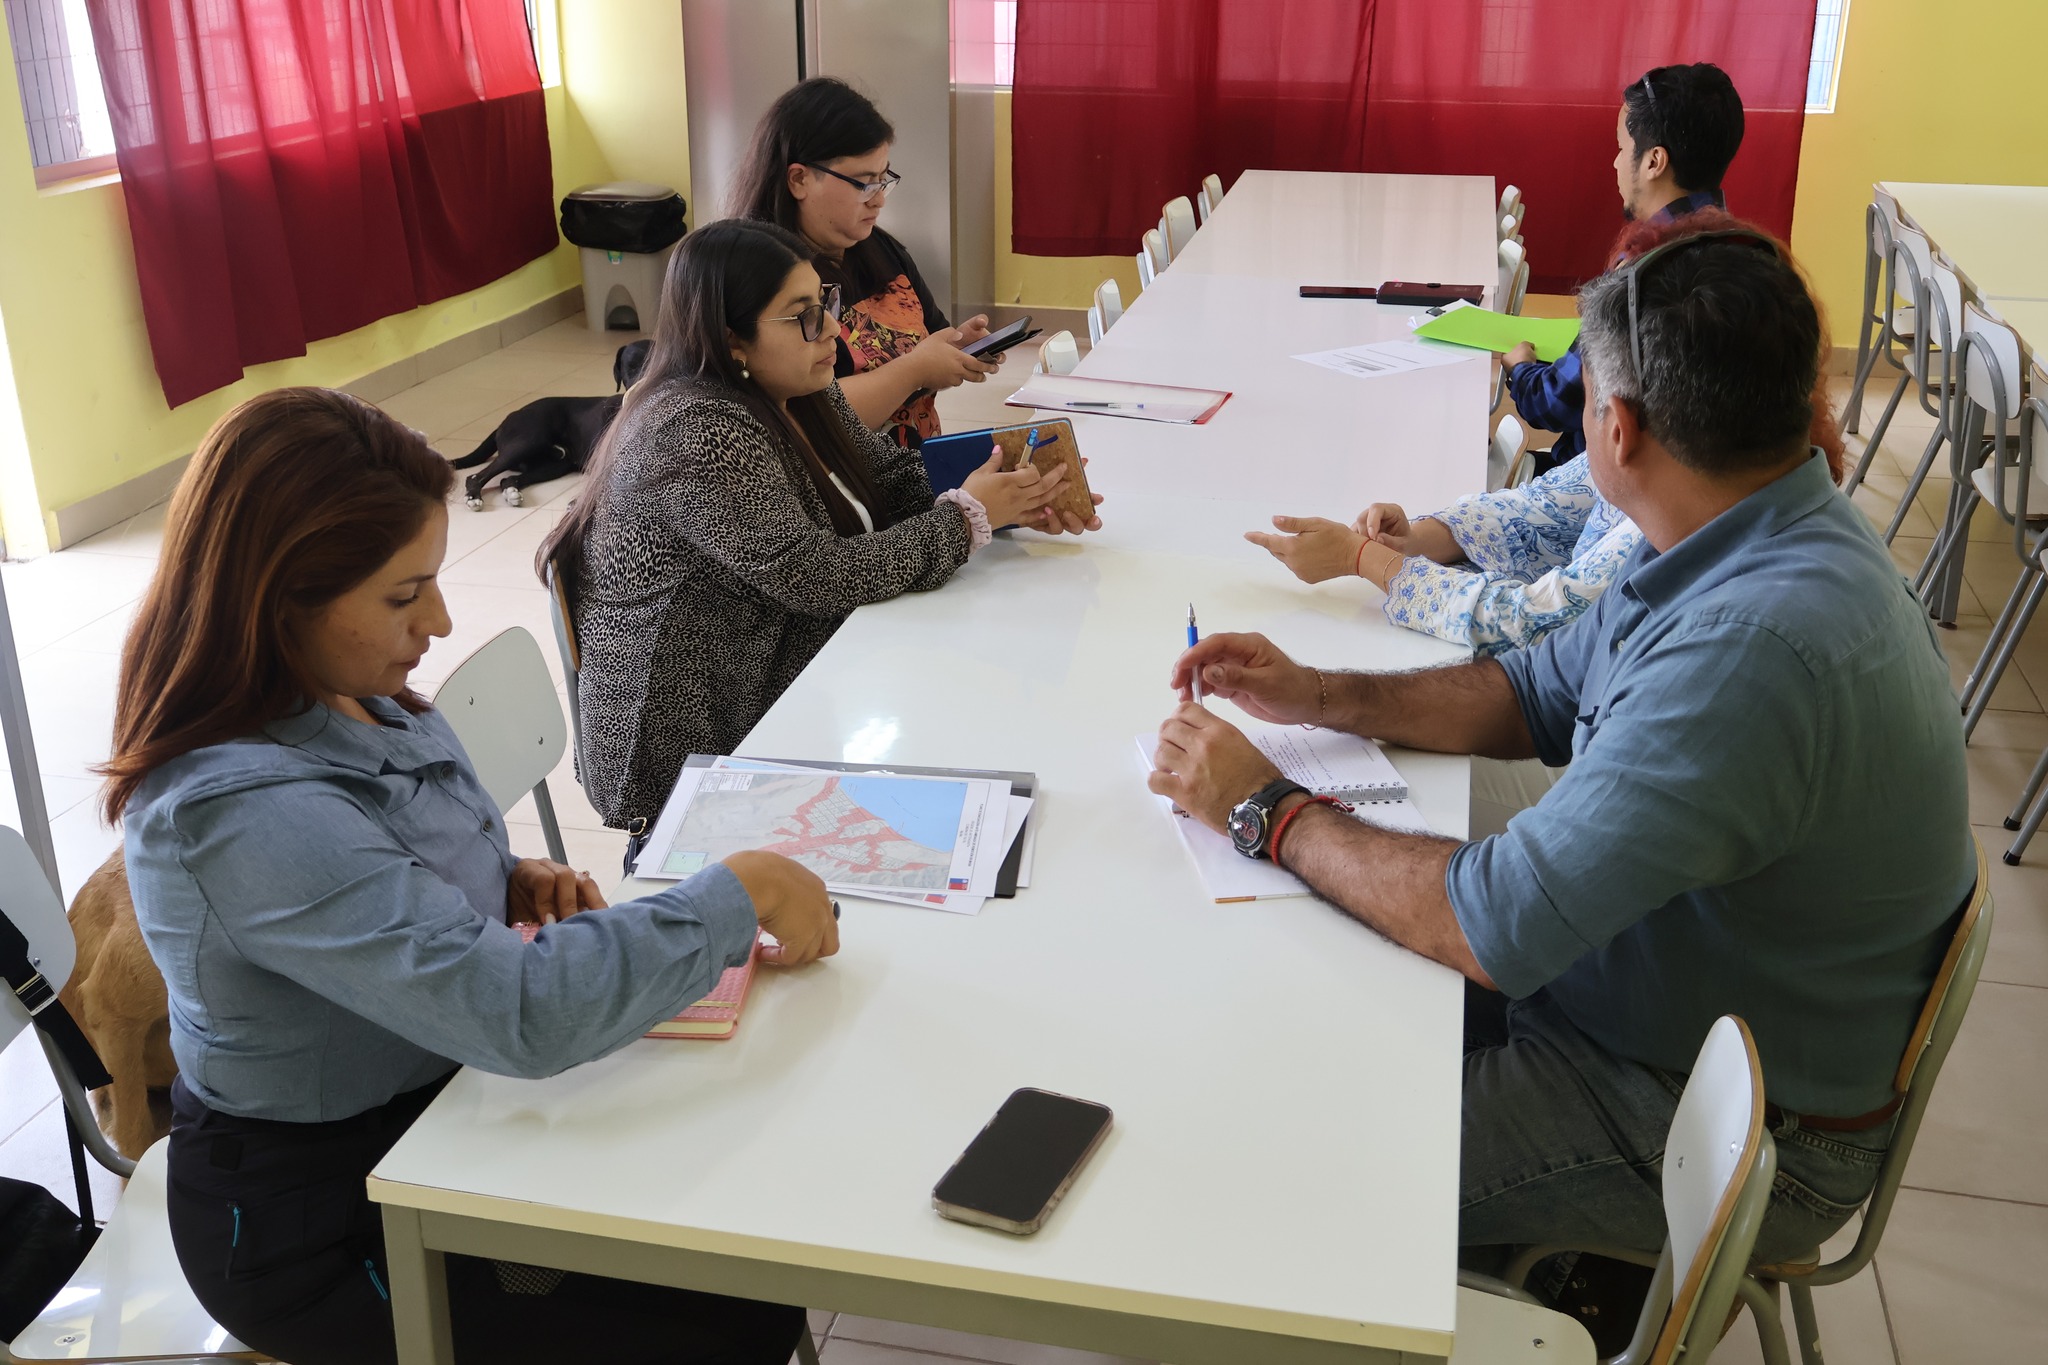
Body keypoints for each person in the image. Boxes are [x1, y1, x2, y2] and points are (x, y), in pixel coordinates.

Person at [1148, 232, 1974, 1268]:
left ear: (1614, 429)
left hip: (1718, 1116)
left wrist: (1262, 807)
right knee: (1295, 1005)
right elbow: (1529, 690)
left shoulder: (1749, 652)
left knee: (1300, 1171)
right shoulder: (1733, 530)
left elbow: (1491, 923)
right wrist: (1320, 693)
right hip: (1662, 1004)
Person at [101, 388, 842, 1365]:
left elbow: (389, 874)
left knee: (744, 1274)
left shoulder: (359, 699)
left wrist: (499, 877)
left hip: (444, 1114)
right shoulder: (241, 813)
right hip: (318, 1222)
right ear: (278, 601)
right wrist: (737, 893)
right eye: (403, 596)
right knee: (707, 1324)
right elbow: (520, 1013)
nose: (440, 621)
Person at [539, 220, 1101, 845]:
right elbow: (816, 576)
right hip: (698, 756)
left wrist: (1008, 489)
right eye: (804, 316)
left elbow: (893, 481)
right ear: (733, 339)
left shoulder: (801, 387)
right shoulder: (692, 430)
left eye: (825, 303)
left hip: (790, 677)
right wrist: (967, 518)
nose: (833, 329)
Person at [732, 77, 996, 450]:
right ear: (799, 179)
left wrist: (957, 348)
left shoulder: (879, 249)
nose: (879, 200)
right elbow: (803, 418)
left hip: (915, 464)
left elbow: (931, 339)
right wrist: (915, 370)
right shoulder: (764, 278)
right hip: (842, 478)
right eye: (863, 183)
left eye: (883, 179)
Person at [1505, 62, 1746, 471]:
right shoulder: (1748, 255)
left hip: (1607, 485)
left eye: (1621, 148)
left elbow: (1557, 402)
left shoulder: (1641, 277)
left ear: (1654, 162)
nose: (1615, 164)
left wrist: (1521, 369)